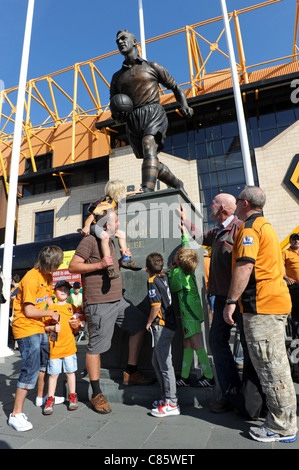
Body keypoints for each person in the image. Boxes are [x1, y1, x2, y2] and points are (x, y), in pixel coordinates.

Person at [223, 185, 297, 443]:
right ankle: (284, 420)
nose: (237, 201)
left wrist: (231, 301)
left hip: (262, 307)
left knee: (270, 367)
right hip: (272, 305)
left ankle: (281, 425)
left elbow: (245, 266)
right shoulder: (265, 226)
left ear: (244, 203)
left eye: (239, 198)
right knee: (275, 365)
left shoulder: (250, 229)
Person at [181, 195, 264, 418]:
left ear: (225, 209)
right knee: (217, 343)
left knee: (248, 348)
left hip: (237, 299)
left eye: (214, 203)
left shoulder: (240, 229)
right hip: (219, 299)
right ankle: (230, 393)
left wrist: (233, 299)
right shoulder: (218, 231)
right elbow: (199, 237)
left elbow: (246, 265)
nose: (210, 205)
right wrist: (185, 220)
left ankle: (252, 400)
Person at [68, 209, 153, 415]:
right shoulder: (89, 241)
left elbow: (113, 266)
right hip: (99, 303)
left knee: (140, 325)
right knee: (95, 348)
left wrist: (124, 259)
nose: (119, 223)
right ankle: (96, 392)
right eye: (116, 220)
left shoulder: (112, 242)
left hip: (119, 301)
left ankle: (130, 372)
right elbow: (72, 266)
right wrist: (99, 264)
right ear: (106, 224)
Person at [110, 29, 193, 193]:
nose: (120, 41)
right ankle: (177, 184)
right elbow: (114, 105)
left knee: (149, 145)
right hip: (133, 119)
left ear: (134, 42)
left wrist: (184, 105)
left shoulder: (152, 66)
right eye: (117, 40)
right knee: (151, 158)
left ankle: (147, 189)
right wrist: (118, 117)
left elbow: (175, 87)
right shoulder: (117, 77)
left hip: (153, 112)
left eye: (124, 38)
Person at [8, 246, 64, 432]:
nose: (57, 268)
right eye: (56, 265)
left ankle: (41, 397)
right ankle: (16, 414)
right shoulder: (31, 277)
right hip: (25, 328)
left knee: (45, 361)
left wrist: (59, 308)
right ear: (49, 263)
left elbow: (47, 299)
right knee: (30, 368)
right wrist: (50, 313)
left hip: (38, 327)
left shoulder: (47, 276)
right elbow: (29, 310)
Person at [168, 225, 215, 388]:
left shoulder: (178, 274)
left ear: (179, 261)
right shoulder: (188, 269)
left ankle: (208, 376)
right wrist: (184, 236)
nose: (174, 254)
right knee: (187, 344)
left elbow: (173, 288)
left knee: (197, 345)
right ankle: (185, 377)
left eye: (176, 255)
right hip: (193, 312)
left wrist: (171, 271)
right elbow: (185, 250)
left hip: (188, 314)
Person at [80, 179, 141, 279]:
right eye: (121, 190)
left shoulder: (115, 200)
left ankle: (126, 259)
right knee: (104, 237)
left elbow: (124, 194)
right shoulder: (108, 203)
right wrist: (86, 227)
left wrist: (134, 191)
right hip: (95, 226)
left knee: (121, 233)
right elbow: (93, 215)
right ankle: (109, 266)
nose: (123, 193)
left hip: (104, 226)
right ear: (117, 192)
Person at [145, 252, 179, 418]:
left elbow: (156, 306)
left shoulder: (152, 281)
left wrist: (148, 322)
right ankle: (165, 397)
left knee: (165, 364)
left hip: (162, 325)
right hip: (170, 325)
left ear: (146, 269)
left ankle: (172, 402)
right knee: (156, 361)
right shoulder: (165, 276)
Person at [43, 280, 83, 414]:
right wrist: (52, 327)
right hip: (55, 348)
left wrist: (78, 325)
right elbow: (44, 327)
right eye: (60, 289)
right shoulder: (50, 308)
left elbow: (78, 324)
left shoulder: (72, 307)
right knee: (53, 375)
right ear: (55, 292)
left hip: (69, 347)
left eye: (66, 289)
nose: (64, 291)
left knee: (70, 373)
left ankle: (73, 396)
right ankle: (50, 398)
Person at [282, 233, 299, 339]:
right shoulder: (285, 253)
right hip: (295, 288)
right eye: (294, 239)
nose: (297, 241)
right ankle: (297, 341)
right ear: (290, 241)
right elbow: (277, 268)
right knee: (296, 314)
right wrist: (286, 277)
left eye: (298, 239)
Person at [203, 249, 214, 323]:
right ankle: (212, 322)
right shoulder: (211, 261)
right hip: (211, 285)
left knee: (204, 305)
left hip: (202, 286)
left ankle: (206, 322)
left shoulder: (199, 262)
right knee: (212, 307)